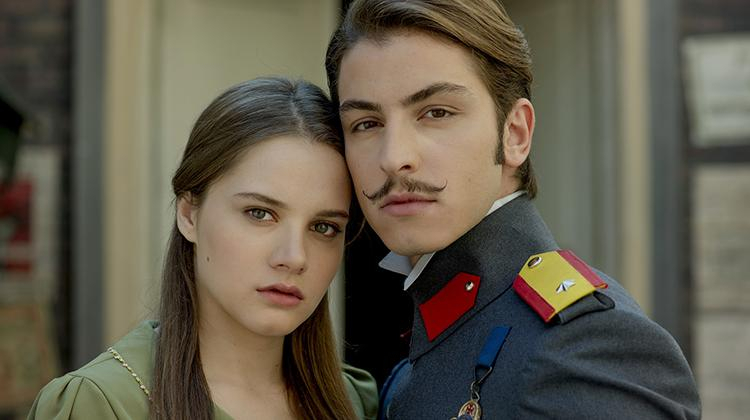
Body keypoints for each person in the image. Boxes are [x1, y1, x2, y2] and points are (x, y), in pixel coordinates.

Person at [325, 1, 701, 419]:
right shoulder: (435, 339)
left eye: (436, 113)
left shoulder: (586, 346)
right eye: (366, 123)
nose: (394, 158)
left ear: (515, 134)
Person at [27, 77, 378, 420]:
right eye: (259, 213)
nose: (294, 257)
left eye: (323, 227)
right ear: (189, 214)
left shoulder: (353, 401)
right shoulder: (100, 403)